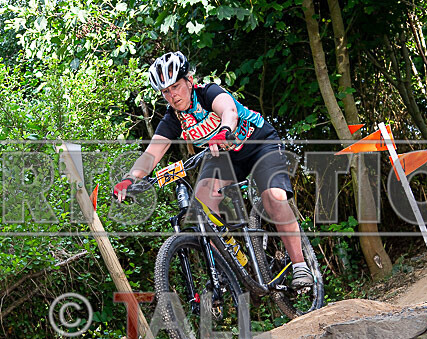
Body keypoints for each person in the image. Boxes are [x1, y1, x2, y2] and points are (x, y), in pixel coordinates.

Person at [114, 51, 313, 288]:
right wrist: (129, 179)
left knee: (273, 197)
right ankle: (231, 268)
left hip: (259, 143)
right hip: (224, 156)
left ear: (189, 80)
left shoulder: (208, 93)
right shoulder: (173, 119)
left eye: (176, 86)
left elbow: (229, 111)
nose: (172, 95)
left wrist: (225, 129)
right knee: (202, 207)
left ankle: (300, 265)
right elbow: (151, 154)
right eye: (165, 91)